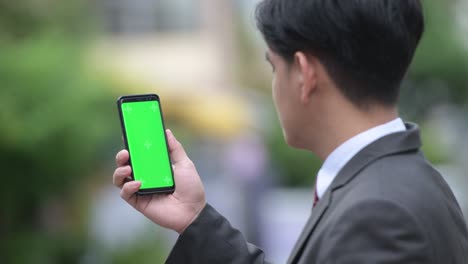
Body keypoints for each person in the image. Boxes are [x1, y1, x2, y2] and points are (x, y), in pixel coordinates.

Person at [112, 0, 468, 263]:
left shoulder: (375, 215)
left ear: (303, 73)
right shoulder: (405, 182)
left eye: (273, 67)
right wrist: (194, 219)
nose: (273, 86)